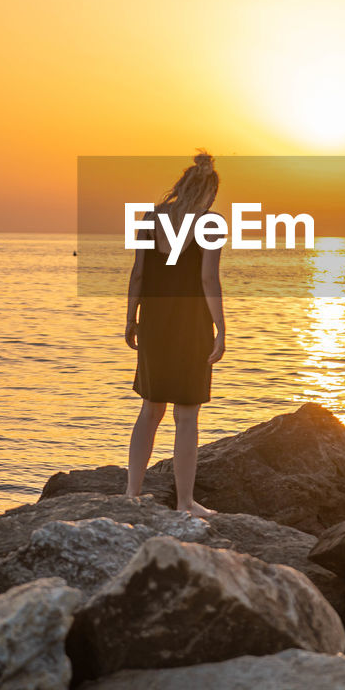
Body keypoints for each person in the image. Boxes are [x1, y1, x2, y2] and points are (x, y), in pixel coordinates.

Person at [124, 150, 226, 515]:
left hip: (155, 318)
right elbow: (207, 278)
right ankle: (185, 503)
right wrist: (221, 328)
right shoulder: (210, 223)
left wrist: (131, 317)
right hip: (190, 320)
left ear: (182, 184)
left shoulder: (151, 219)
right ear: (209, 191)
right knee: (187, 414)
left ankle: (132, 494)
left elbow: (138, 273)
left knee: (150, 409)